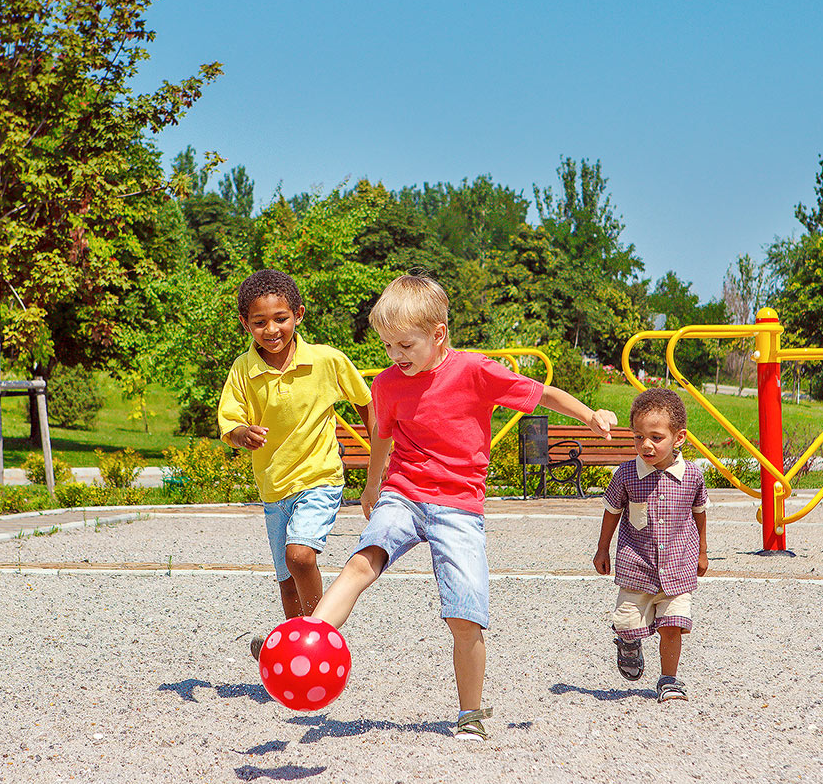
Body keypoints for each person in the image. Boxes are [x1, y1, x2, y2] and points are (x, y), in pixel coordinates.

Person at [311, 273, 618, 740]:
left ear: (439, 334)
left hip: (458, 505)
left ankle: (469, 713)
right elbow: (382, 436)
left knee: (464, 613)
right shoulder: (390, 384)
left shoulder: (475, 370)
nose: (395, 357)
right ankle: (310, 639)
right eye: (388, 347)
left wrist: (591, 415)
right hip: (404, 492)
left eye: (405, 346)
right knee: (361, 561)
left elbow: (542, 394)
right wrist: (372, 486)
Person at [219, 269, 372, 636]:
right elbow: (229, 422)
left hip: (320, 477)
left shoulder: (326, 360)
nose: (271, 329)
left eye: (281, 318)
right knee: (287, 580)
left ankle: (321, 634)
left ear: (299, 315)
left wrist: (382, 455)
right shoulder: (243, 370)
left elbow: (366, 403)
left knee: (300, 556)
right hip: (274, 489)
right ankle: (296, 647)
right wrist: (243, 434)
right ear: (245, 324)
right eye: (259, 322)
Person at [592, 386, 709, 703]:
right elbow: (612, 511)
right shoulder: (627, 474)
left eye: (656, 438)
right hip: (636, 568)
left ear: (678, 438)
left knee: (673, 625)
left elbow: (699, 514)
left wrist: (702, 552)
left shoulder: (693, 477)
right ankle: (629, 642)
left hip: (678, 568)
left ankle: (669, 680)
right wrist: (602, 549)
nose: (646, 445)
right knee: (628, 624)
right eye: (638, 437)